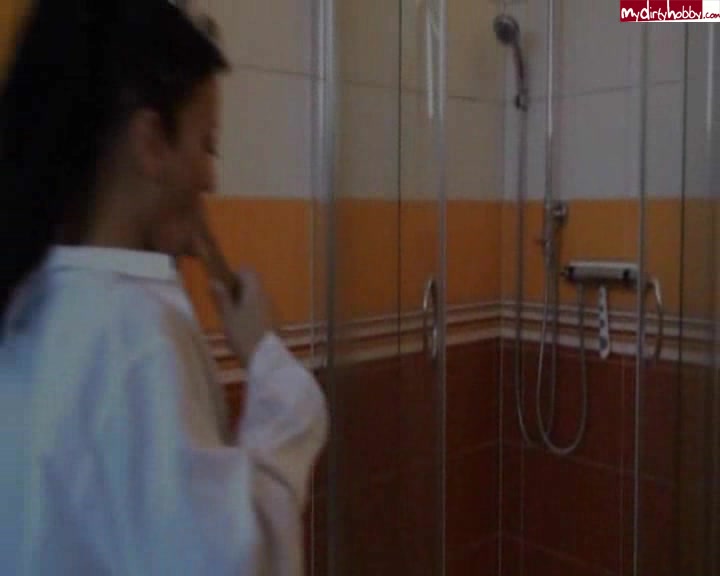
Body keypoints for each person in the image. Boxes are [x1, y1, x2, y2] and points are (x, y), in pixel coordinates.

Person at [0, 1, 328, 574]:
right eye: (207, 145)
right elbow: (230, 561)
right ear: (151, 141)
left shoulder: (30, 306)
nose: (210, 179)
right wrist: (274, 373)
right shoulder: (134, 332)